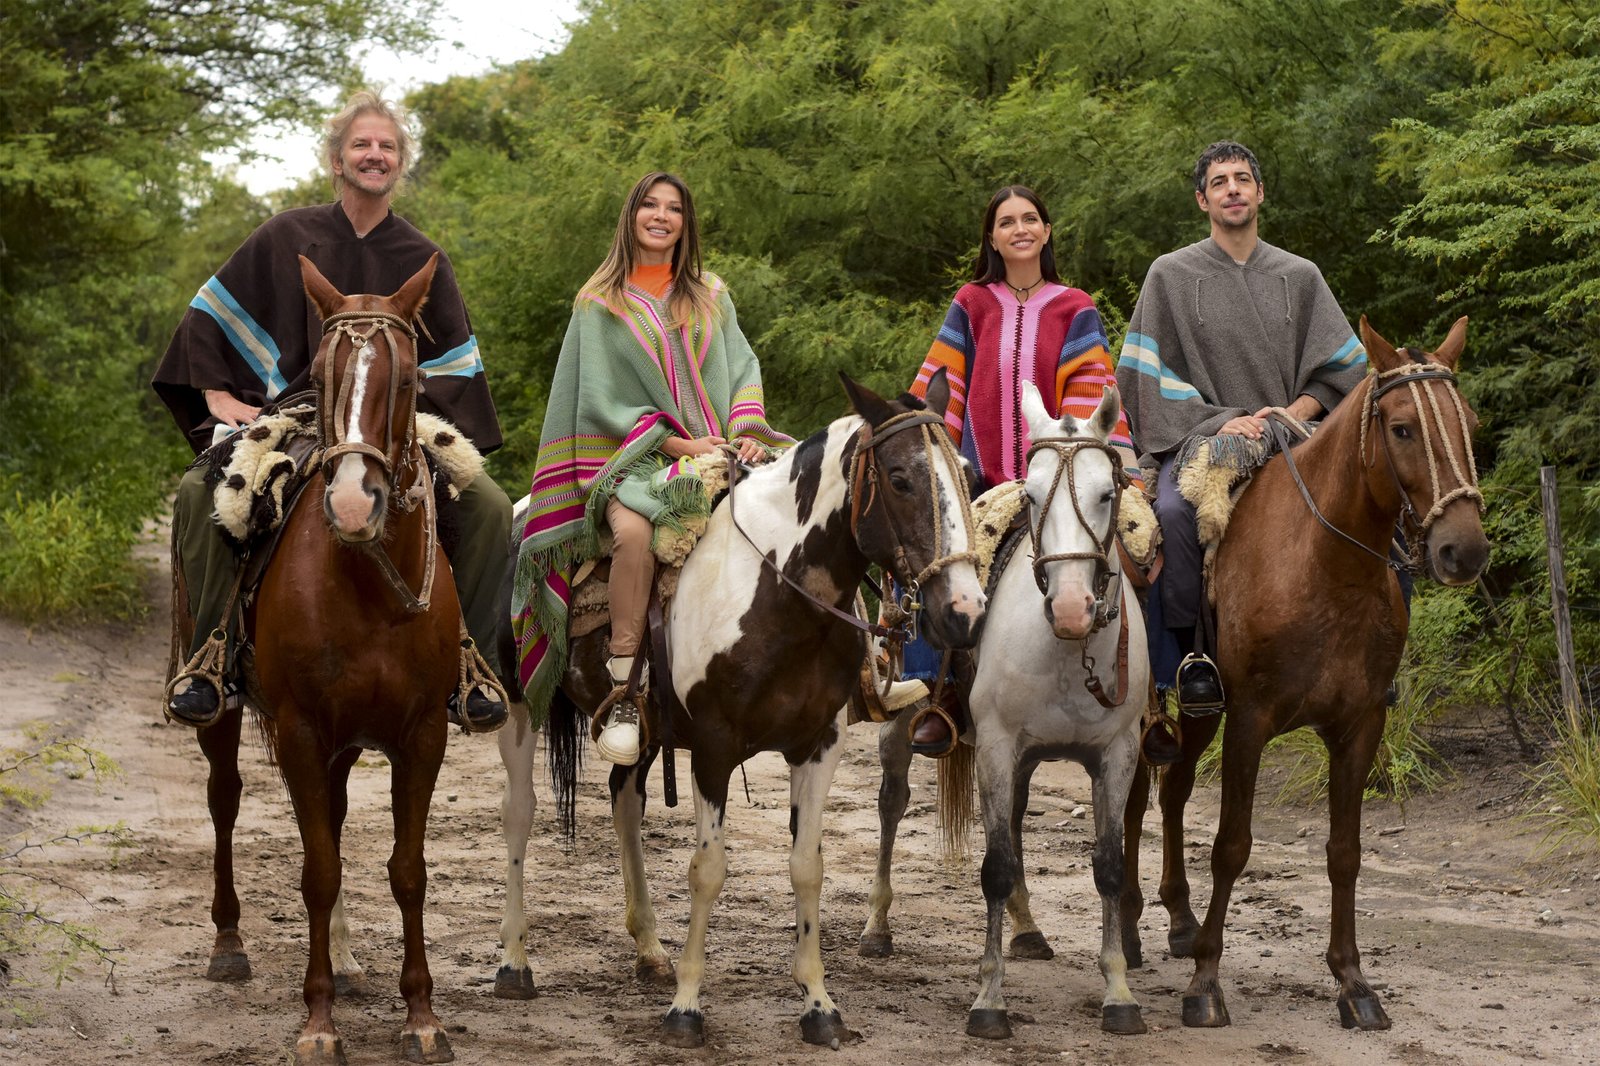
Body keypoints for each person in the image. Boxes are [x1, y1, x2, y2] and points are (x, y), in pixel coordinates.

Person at [153, 91, 511, 732]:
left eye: (388, 146)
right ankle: (214, 657)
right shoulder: (285, 237)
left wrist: (403, 414)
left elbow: (453, 370)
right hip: (293, 416)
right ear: (336, 158)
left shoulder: (422, 258)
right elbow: (207, 317)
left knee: (487, 507)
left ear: (401, 162)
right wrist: (216, 396)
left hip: (394, 420)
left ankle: (470, 665)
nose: (375, 155)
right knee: (194, 494)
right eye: (362, 144)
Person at [511, 171, 791, 767]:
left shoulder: (711, 293)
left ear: (686, 224)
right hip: (633, 464)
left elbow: (742, 367)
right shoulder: (598, 303)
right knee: (635, 535)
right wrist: (676, 447)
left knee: (807, 505)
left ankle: (863, 672)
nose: (661, 217)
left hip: (721, 453)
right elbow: (596, 402)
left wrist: (741, 433)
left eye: (674, 209)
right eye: (649, 206)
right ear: (631, 216)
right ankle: (622, 687)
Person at [1115, 140, 1367, 713]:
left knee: (1384, 517)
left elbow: (1348, 366)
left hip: (1292, 441)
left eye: (1243, 179)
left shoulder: (1300, 276)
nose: (1233, 189)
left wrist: (1294, 412)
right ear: (1202, 198)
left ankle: (1369, 656)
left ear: (1260, 193)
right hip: (1205, 440)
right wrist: (1228, 419)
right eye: (1220, 181)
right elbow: (1141, 375)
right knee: (1176, 515)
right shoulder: (1170, 276)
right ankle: (1186, 660)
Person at [901, 184, 1142, 756]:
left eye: (1030, 219)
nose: (1020, 229)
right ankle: (934, 695)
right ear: (992, 238)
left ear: (1047, 231)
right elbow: (946, 384)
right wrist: (927, 447)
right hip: (985, 482)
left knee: (1142, 548)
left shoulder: (1074, 306)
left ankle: (1150, 698)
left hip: (1060, 481)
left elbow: (1089, 398)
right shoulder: (972, 303)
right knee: (929, 560)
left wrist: (1100, 466)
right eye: (1006, 222)